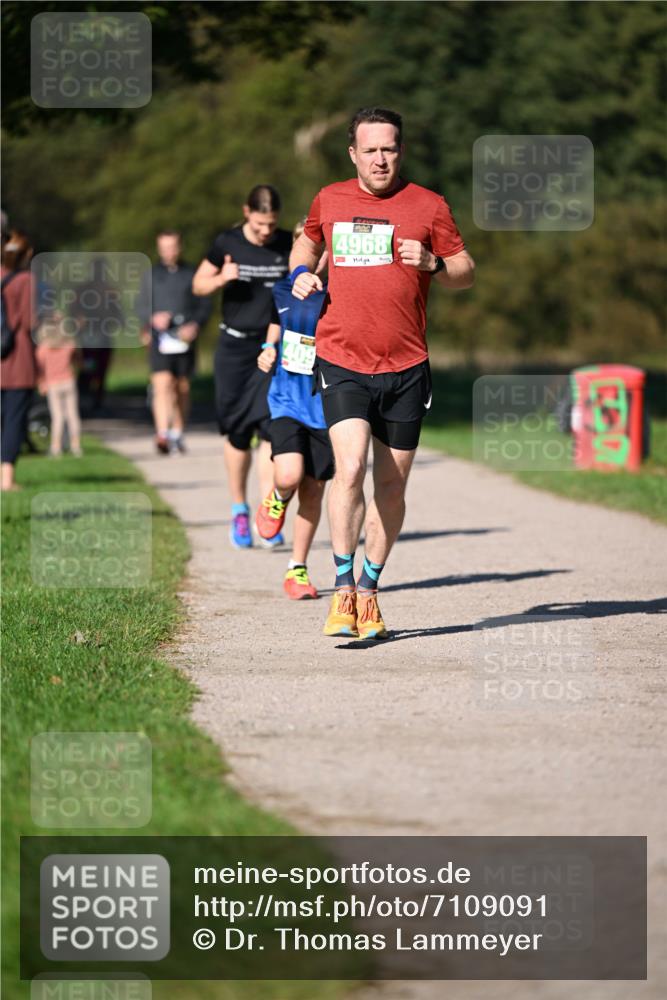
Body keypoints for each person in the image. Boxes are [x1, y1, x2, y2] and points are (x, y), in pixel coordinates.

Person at [290, 107, 475, 639]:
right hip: (342, 357)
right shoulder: (330, 199)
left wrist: (434, 265)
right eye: (369, 149)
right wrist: (301, 273)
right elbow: (307, 242)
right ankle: (343, 587)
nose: (379, 158)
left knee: (390, 488)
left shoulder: (429, 205)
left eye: (388, 148)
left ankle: (370, 589)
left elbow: (466, 269)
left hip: (407, 366)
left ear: (401, 151)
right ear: (353, 154)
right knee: (348, 471)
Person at [193, 185, 291, 549]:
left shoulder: (284, 243)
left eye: (272, 224)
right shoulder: (227, 242)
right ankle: (238, 509)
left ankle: (268, 512)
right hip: (234, 347)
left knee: (270, 429)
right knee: (237, 432)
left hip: (272, 346)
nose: (266, 231)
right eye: (261, 223)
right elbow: (199, 285)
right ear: (246, 211)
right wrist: (222, 278)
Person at [254, 220, 334, 600]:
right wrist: (269, 349)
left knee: (314, 492)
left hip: (325, 406)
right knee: (288, 474)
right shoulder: (282, 289)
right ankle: (275, 499)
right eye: (303, 248)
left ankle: (297, 569)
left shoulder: (340, 295)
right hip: (286, 398)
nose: (311, 257)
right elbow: (277, 324)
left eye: (319, 249)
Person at [137, 230, 211, 454]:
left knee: (181, 387)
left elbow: (205, 304)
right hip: (160, 340)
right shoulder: (150, 275)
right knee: (162, 385)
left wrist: (195, 325)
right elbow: (139, 305)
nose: (168, 251)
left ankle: (177, 432)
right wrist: (150, 319)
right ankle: (162, 433)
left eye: (172, 247)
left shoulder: (192, 273)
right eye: (164, 247)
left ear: (179, 247)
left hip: (184, 339)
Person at [1, 230, 37, 491]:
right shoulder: (25, 280)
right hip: (17, 359)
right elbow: (29, 321)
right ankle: (7, 478)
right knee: (14, 418)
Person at [35, 314, 82, 457]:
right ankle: (76, 445)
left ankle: (56, 446)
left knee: (58, 417)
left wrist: (41, 383)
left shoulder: (43, 349)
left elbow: (40, 369)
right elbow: (78, 361)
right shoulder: (69, 345)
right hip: (69, 381)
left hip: (53, 384)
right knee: (72, 415)